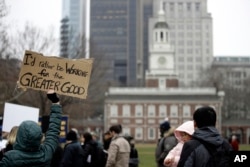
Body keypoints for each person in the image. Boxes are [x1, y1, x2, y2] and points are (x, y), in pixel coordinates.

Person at [0, 90, 62, 166]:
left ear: (19, 136)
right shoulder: (46, 154)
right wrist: (55, 102)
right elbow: (54, 131)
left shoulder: (10, 158)